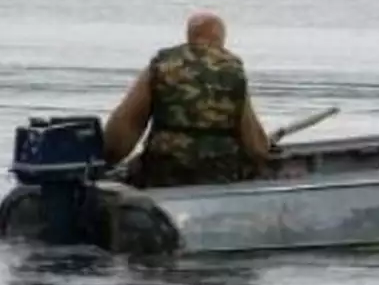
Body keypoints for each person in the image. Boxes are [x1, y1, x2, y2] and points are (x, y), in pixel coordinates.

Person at [102, 10, 273, 187]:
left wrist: (108, 159)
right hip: (218, 171)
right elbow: (253, 141)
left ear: (190, 35)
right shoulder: (232, 68)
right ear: (221, 38)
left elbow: (128, 125)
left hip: (164, 169)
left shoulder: (164, 63)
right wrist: (263, 155)